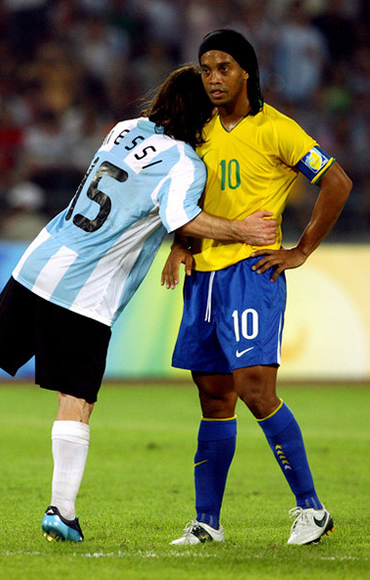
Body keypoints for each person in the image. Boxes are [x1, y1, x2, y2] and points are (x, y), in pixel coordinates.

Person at [0, 65, 277, 543]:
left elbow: (137, 194)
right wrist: (241, 229)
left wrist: (175, 243)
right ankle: (61, 512)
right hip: (86, 291)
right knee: (76, 400)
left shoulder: (124, 129)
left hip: (39, 260)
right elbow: (183, 215)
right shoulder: (185, 163)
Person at [161, 30, 352, 547]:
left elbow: (337, 183)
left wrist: (301, 250)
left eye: (223, 67)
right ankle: (207, 523)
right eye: (206, 69)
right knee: (214, 395)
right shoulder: (198, 131)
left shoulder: (277, 130)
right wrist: (181, 243)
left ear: (246, 71)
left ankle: (311, 509)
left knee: (254, 388)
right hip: (204, 276)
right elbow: (188, 196)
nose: (214, 78)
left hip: (252, 273)